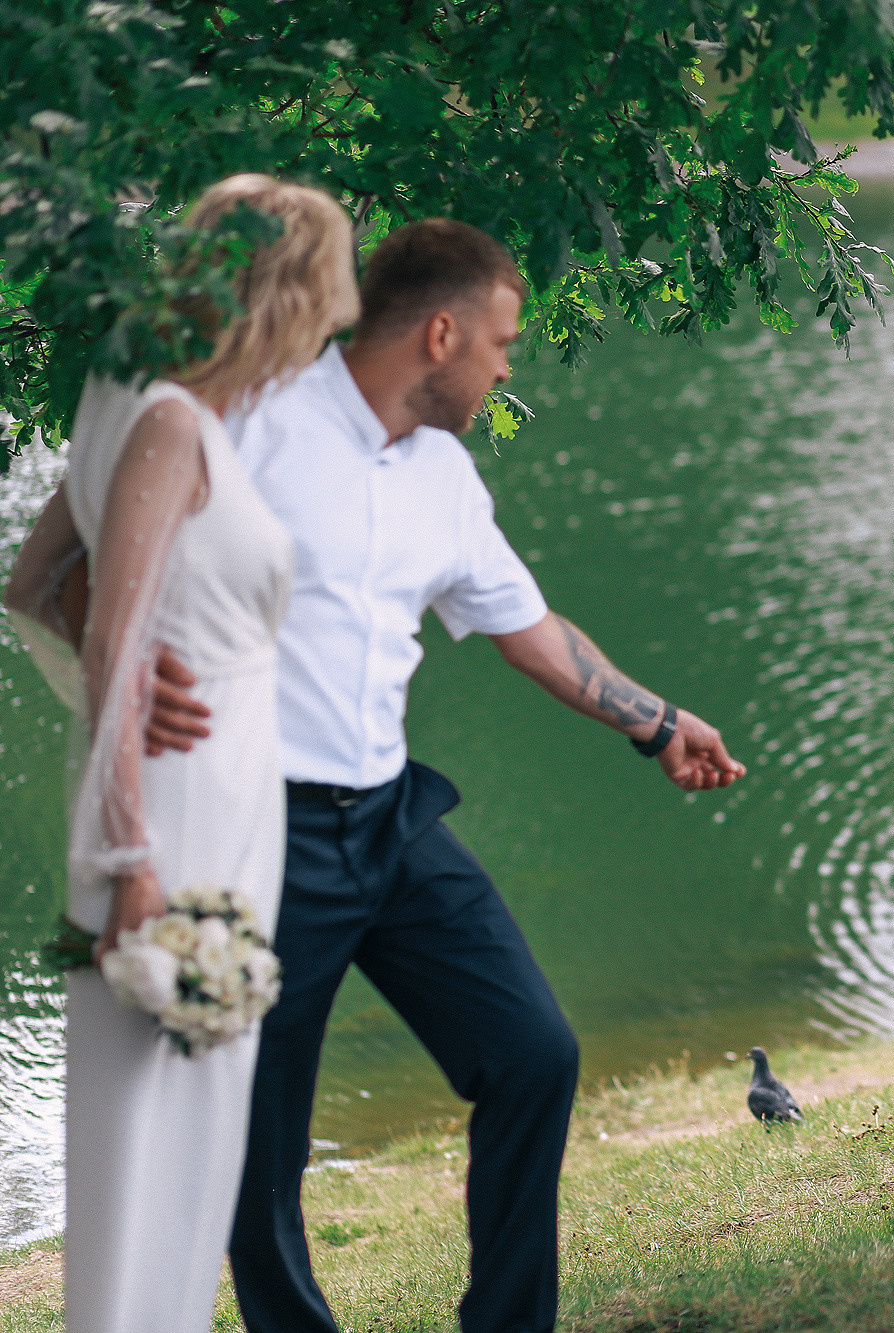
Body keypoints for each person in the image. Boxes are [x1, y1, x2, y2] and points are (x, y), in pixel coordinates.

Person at [136, 217, 746, 1333]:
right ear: (440, 331)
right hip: (259, 834)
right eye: (502, 343)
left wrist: (658, 724)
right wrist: (127, 675)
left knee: (532, 1054)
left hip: (391, 818)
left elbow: (526, 626)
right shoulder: (251, 426)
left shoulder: (443, 477)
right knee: (258, 1139)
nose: (506, 365)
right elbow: (99, 555)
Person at [2, 175, 359, 1333]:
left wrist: (135, 671)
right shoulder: (163, 418)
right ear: (283, 293)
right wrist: (131, 854)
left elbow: (33, 585)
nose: (330, 329)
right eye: (325, 297)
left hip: (223, 799)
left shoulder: (149, 405)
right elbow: (102, 621)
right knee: (149, 1147)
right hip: (173, 819)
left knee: (193, 1139)